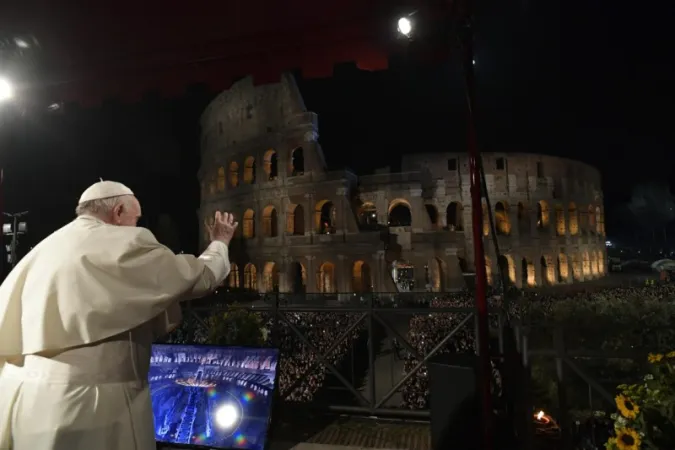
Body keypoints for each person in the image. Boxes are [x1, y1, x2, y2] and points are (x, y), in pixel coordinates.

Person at [0, 180, 238, 450]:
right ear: (118, 212)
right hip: (93, 405)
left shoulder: (46, 247)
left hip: (22, 400)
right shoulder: (128, 241)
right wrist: (219, 243)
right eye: (135, 219)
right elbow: (198, 277)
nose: (136, 226)